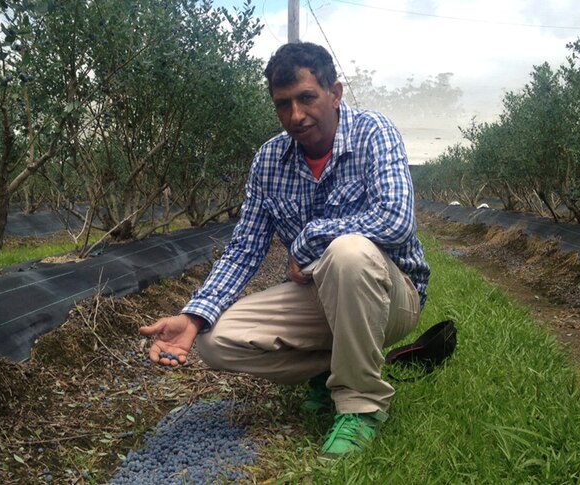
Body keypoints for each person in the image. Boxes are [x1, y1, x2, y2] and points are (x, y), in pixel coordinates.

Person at [139, 42, 430, 459]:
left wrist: (312, 238)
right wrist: (193, 315)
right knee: (213, 341)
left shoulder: (373, 133)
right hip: (318, 296)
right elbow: (244, 250)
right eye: (283, 104)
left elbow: (397, 220)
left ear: (335, 93)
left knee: (347, 252)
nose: (296, 115)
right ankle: (334, 366)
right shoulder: (270, 160)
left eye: (307, 98)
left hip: (393, 294)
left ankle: (361, 404)